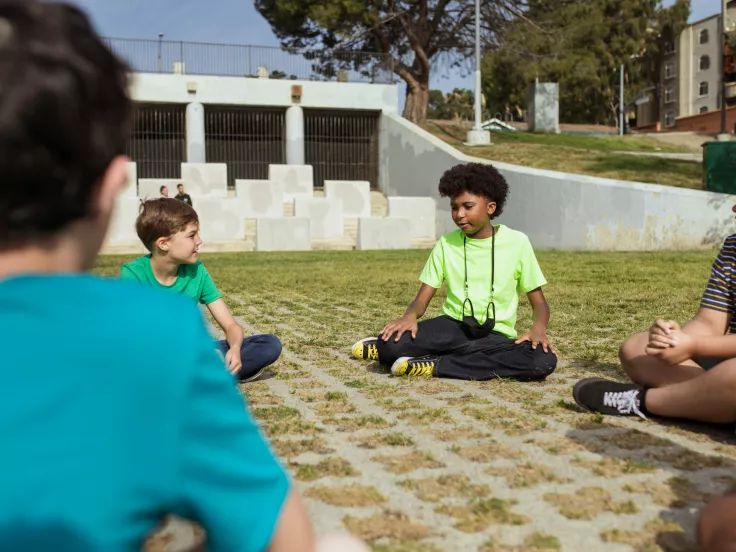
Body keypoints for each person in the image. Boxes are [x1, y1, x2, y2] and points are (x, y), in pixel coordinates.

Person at [0, 3, 366, 551]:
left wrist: (235, 344)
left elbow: (229, 323)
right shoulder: (154, 326)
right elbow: (281, 536)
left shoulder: (179, 300)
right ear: (111, 187)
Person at [351, 162, 557, 381]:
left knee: (542, 361)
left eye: (468, 206)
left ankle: (436, 364)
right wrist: (409, 316)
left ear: (491, 207)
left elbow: (540, 304)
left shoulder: (518, 243)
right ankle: (391, 346)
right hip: (451, 327)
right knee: (390, 347)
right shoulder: (446, 244)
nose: (459, 214)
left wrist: (539, 328)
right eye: (454, 207)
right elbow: (421, 300)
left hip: (496, 336)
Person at [572, 217, 736, 424]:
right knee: (638, 348)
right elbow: (709, 323)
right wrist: (674, 340)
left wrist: (695, 346)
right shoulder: (733, 247)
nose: (734, 208)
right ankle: (713, 401)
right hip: (724, 360)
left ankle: (643, 401)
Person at [121, 198, 282, 383]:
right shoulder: (134, 275)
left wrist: (235, 350)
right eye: (191, 235)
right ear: (164, 243)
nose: (199, 241)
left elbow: (231, 326)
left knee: (269, 344)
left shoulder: (197, 271)